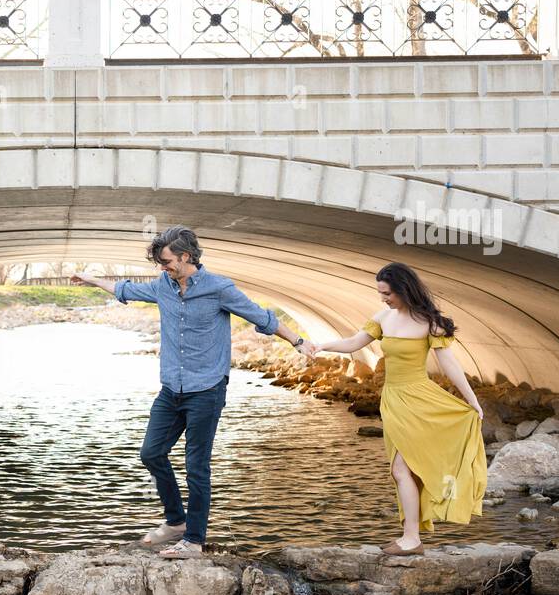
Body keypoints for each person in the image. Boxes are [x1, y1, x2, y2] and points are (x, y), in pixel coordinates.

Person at [73, 226, 312, 558]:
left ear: (186, 257)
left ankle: (194, 541)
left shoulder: (219, 288)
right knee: (151, 453)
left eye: (167, 261)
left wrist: (298, 341)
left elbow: (262, 317)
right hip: (171, 388)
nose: (162, 268)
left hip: (206, 390)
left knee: (196, 465)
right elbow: (128, 290)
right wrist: (93, 279)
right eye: (159, 263)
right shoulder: (163, 286)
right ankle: (176, 521)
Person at [309, 261, 487, 555]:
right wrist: (322, 345)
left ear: (404, 289)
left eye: (388, 293)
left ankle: (412, 537)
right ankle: (411, 535)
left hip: (420, 399)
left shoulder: (429, 323)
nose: (383, 299)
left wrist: (472, 400)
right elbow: (354, 342)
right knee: (403, 470)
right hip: (392, 400)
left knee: (401, 469)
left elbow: (449, 364)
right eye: (380, 293)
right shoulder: (383, 318)